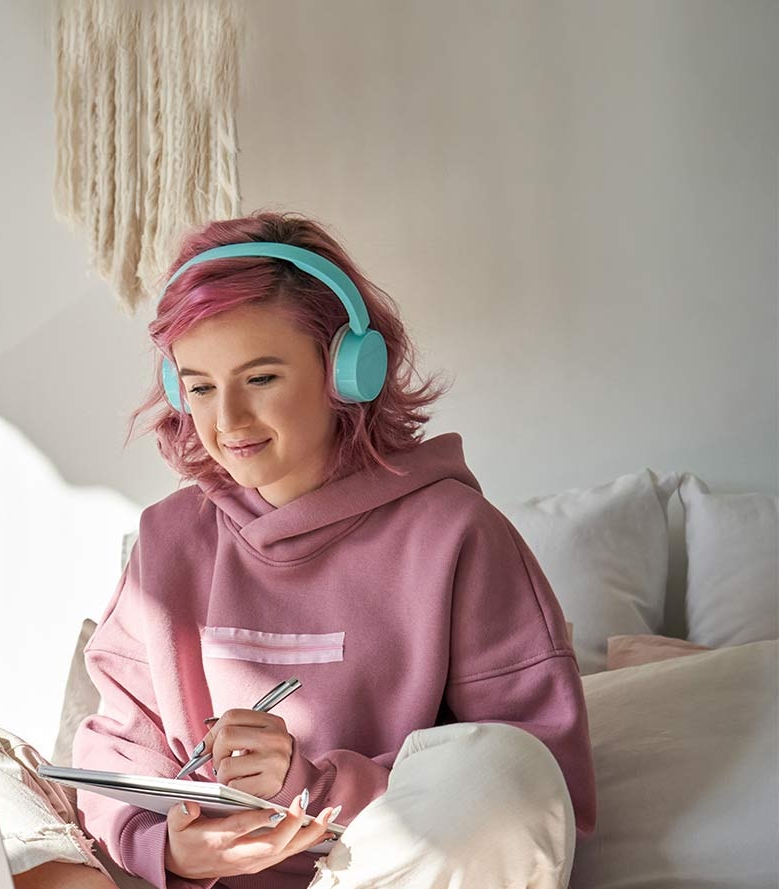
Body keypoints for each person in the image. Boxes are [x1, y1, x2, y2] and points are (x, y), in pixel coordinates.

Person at [69, 210, 597, 889]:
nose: (227, 420)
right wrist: (166, 848)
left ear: (348, 371)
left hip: (397, 874)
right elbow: (114, 749)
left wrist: (311, 787)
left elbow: (533, 787)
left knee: (499, 769)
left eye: (261, 378)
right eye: (199, 386)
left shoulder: (456, 534)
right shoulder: (169, 538)